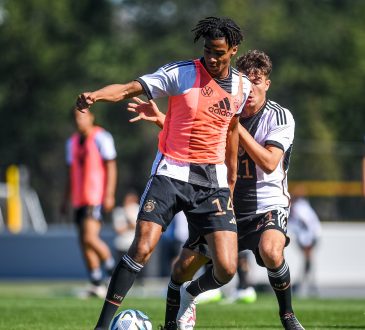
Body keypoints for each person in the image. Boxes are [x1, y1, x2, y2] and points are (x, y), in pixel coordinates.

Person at [76, 16, 251, 330]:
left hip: (213, 183)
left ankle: (188, 295)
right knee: (142, 247)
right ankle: (101, 326)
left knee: (226, 268)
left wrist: (232, 178)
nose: (212, 57)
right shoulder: (181, 73)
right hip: (171, 172)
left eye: (219, 53)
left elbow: (233, 130)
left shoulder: (242, 86)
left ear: (234, 50)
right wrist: (97, 95)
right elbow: (132, 87)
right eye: (208, 50)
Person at [130, 50, 305, 330]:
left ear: (267, 85)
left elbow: (271, 162)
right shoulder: (224, 108)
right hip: (225, 202)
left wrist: (234, 126)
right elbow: (200, 139)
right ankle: (180, 310)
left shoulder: (279, 116)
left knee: (272, 251)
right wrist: (162, 118)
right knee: (181, 269)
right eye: (246, 82)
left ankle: (288, 317)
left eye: (257, 82)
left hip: (266, 204)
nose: (251, 89)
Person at [61, 108, 117, 298]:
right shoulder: (72, 142)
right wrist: (64, 198)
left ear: (91, 117)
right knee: (83, 242)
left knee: (89, 238)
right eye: (76, 117)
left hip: (95, 196)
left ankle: (112, 271)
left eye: (82, 116)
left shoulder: (102, 137)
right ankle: (96, 282)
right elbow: (70, 173)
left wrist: (109, 194)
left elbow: (111, 166)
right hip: (79, 198)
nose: (79, 120)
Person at [289, 185, 322, 297]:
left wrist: (307, 241)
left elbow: (307, 224)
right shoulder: (301, 206)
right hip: (308, 236)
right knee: (307, 261)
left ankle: (304, 284)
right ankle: (309, 284)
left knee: (308, 261)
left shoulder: (299, 208)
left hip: (309, 237)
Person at [112, 191, 140, 259]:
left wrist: (128, 216)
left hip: (134, 247)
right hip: (121, 246)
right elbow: (118, 230)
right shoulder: (118, 211)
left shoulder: (138, 210)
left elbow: (137, 227)